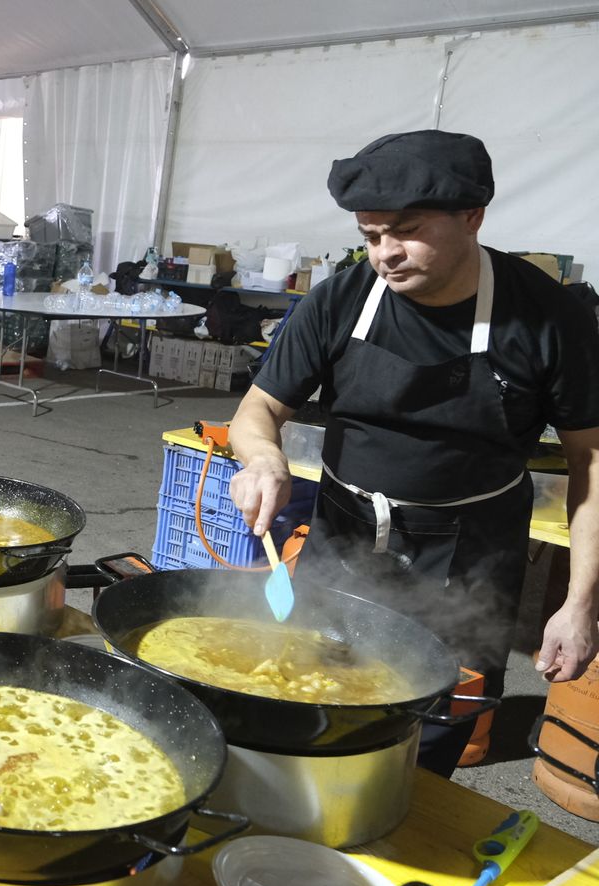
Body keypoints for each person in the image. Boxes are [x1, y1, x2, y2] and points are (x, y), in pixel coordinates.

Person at [227, 130, 599, 776]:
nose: (385, 254)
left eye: (405, 230)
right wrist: (262, 456)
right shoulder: (340, 300)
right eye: (371, 235)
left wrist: (581, 603)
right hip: (342, 545)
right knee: (301, 715)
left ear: (473, 217)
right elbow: (255, 412)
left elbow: (590, 462)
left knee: (420, 755)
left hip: (468, 565)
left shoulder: (548, 319)